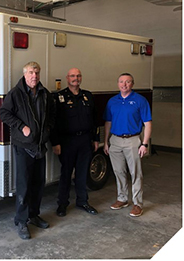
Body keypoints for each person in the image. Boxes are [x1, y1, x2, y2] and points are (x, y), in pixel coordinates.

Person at [0, 61, 56, 240]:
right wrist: (21, 126)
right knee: (23, 186)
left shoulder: (45, 94)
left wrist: (47, 130)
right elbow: (4, 113)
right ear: (25, 74)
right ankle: (21, 220)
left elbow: (52, 115)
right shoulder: (15, 94)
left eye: (37, 72)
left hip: (40, 145)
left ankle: (33, 215)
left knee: (38, 184)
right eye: (31, 72)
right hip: (23, 147)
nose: (35, 76)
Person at [51, 68, 99, 217]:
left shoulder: (88, 96)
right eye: (72, 76)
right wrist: (55, 142)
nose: (75, 78)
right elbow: (53, 122)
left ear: (81, 78)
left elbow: (94, 119)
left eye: (78, 75)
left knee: (82, 173)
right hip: (67, 142)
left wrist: (96, 139)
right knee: (66, 174)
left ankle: (82, 201)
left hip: (85, 140)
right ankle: (62, 204)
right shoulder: (59, 97)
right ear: (67, 78)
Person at [103, 73, 152, 217]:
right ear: (117, 83)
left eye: (128, 82)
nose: (124, 85)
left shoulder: (140, 100)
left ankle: (137, 203)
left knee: (135, 173)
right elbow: (108, 122)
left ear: (132, 84)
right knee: (119, 172)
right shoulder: (112, 101)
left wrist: (145, 144)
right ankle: (122, 198)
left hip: (133, 140)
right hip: (115, 140)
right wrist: (106, 142)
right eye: (121, 82)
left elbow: (147, 123)